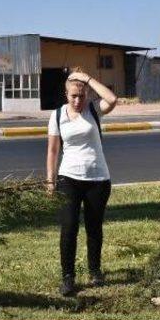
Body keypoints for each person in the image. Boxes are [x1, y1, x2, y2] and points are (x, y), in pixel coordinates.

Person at [46, 67, 118, 296]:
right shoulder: (57, 116)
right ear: (66, 95)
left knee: (94, 228)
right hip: (68, 178)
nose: (77, 100)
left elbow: (112, 99)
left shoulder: (94, 110)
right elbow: (52, 152)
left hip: (98, 178)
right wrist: (50, 181)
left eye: (81, 95)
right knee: (68, 228)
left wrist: (85, 78)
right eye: (73, 96)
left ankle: (95, 271)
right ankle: (68, 277)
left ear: (86, 95)